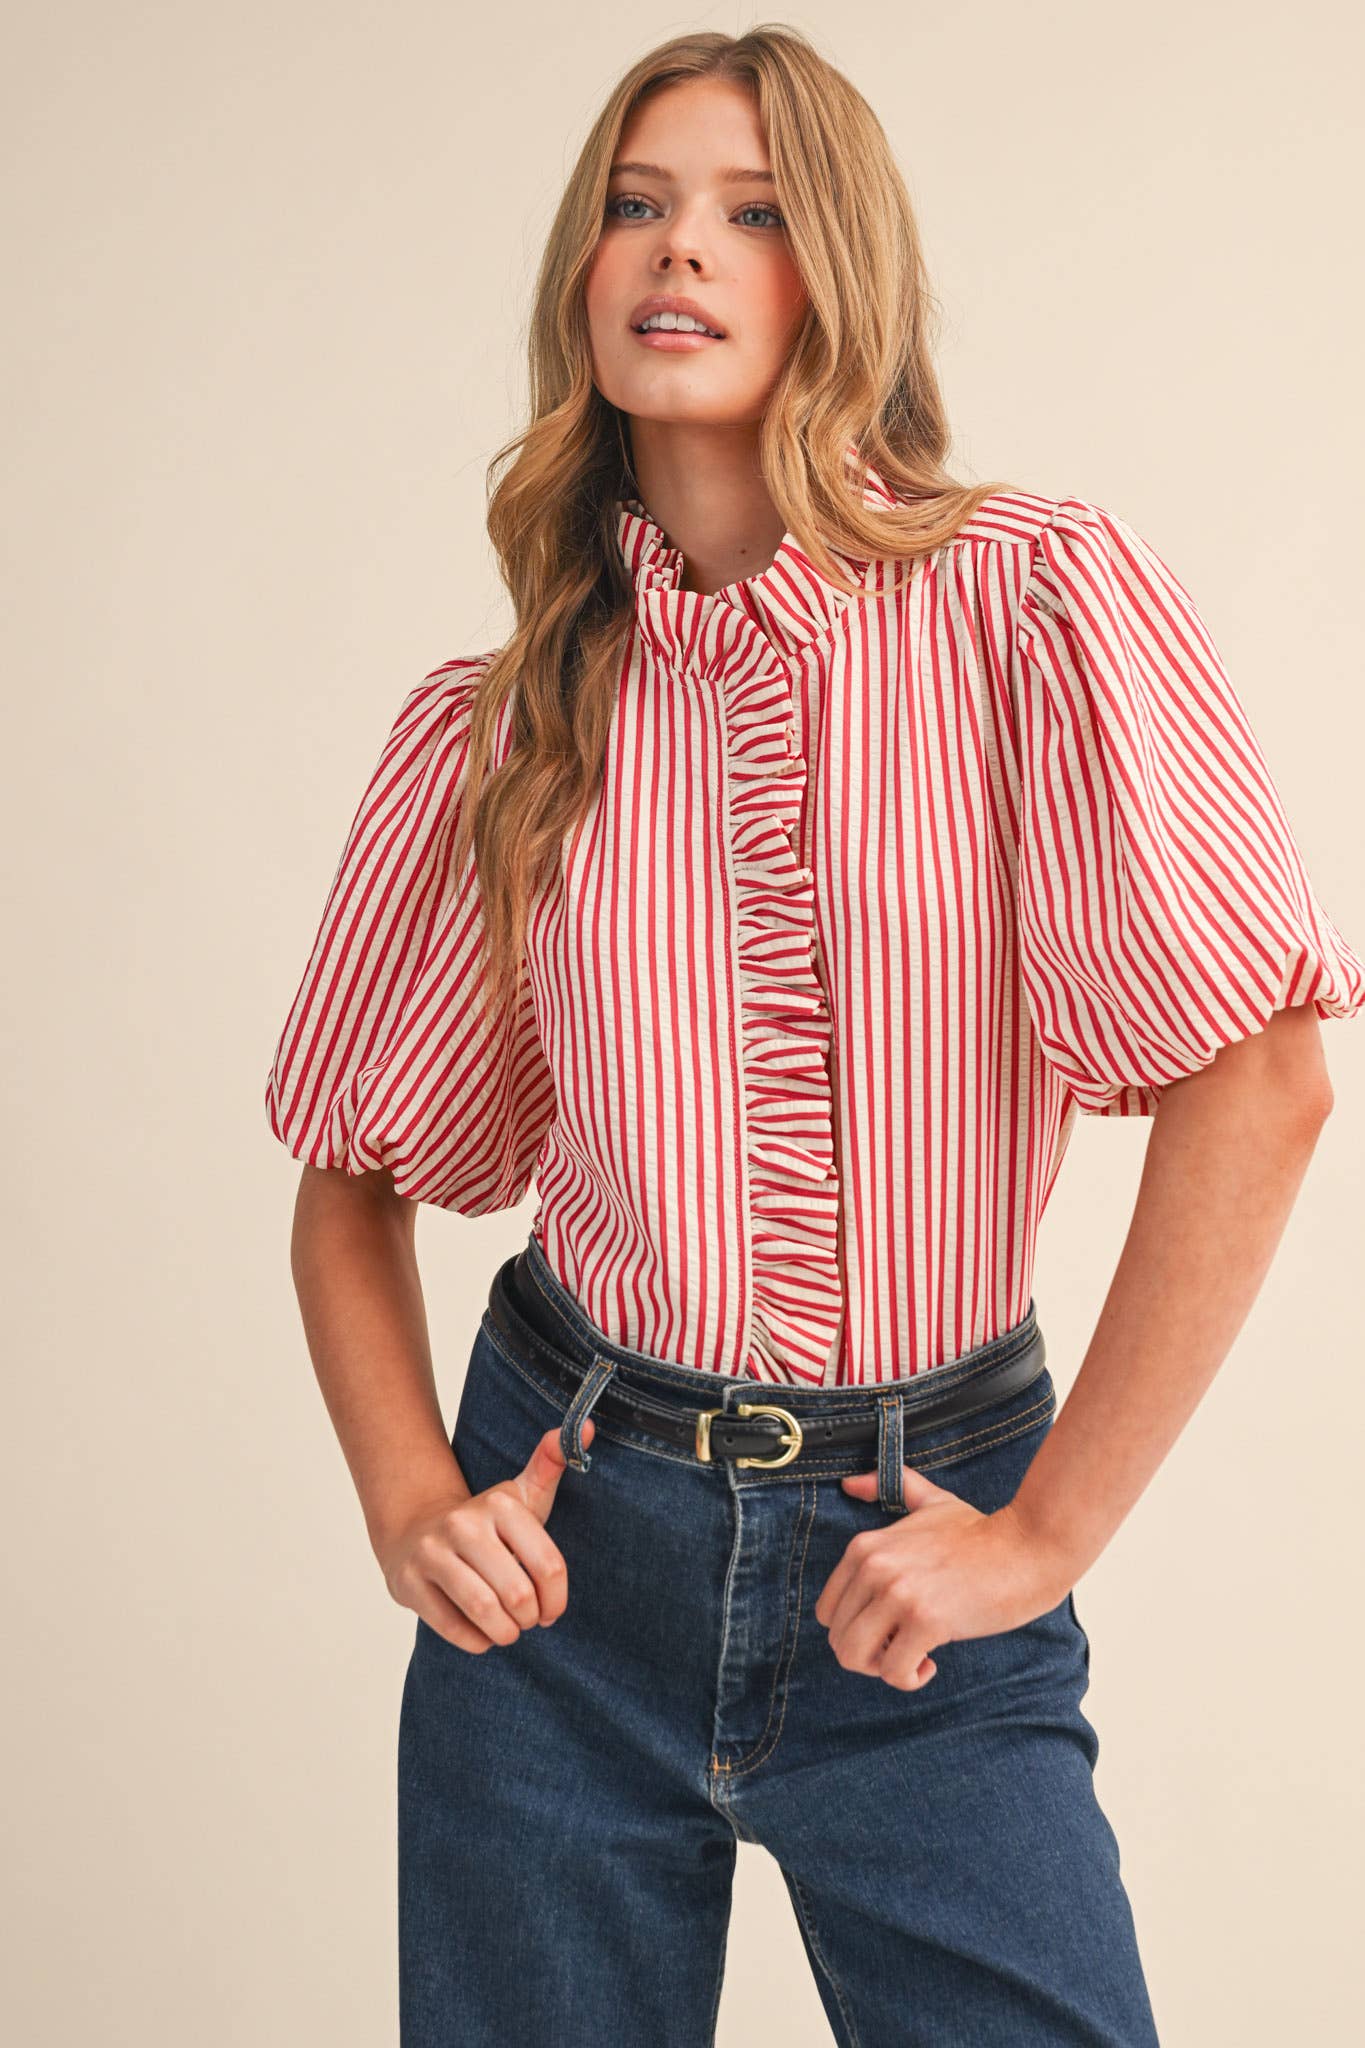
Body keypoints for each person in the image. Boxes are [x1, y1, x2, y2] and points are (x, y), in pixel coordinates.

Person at [263, 27, 1364, 2048]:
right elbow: (349, 1177)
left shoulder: (1032, 607)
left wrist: (1042, 1535)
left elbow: (1265, 1074)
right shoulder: (502, 726)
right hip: (563, 1561)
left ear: (836, 272)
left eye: (751, 213)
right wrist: (410, 1494)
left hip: (914, 1554)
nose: (677, 248)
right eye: (634, 203)